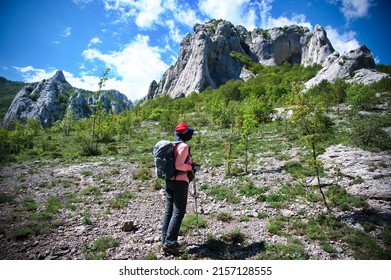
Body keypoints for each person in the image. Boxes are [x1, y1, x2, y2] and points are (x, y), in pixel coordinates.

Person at [161, 122, 199, 256]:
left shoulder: (172, 145)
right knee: (178, 212)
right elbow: (179, 165)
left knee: (169, 211)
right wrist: (191, 167)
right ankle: (170, 243)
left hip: (169, 181)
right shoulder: (183, 146)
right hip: (180, 182)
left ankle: (165, 241)